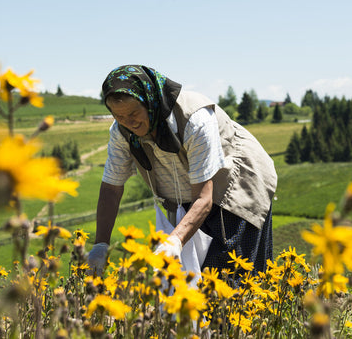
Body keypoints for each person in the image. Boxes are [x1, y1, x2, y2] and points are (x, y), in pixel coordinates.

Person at [87, 65, 277, 278]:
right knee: (188, 281)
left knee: (229, 278)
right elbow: (111, 189)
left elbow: (204, 198)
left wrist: (174, 241)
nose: (128, 123)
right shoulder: (120, 132)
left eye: (133, 113)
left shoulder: (195, 118)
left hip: (234, 188)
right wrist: (101, 244)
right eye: (119, 116)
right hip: (188, 196)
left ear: (150, 102)